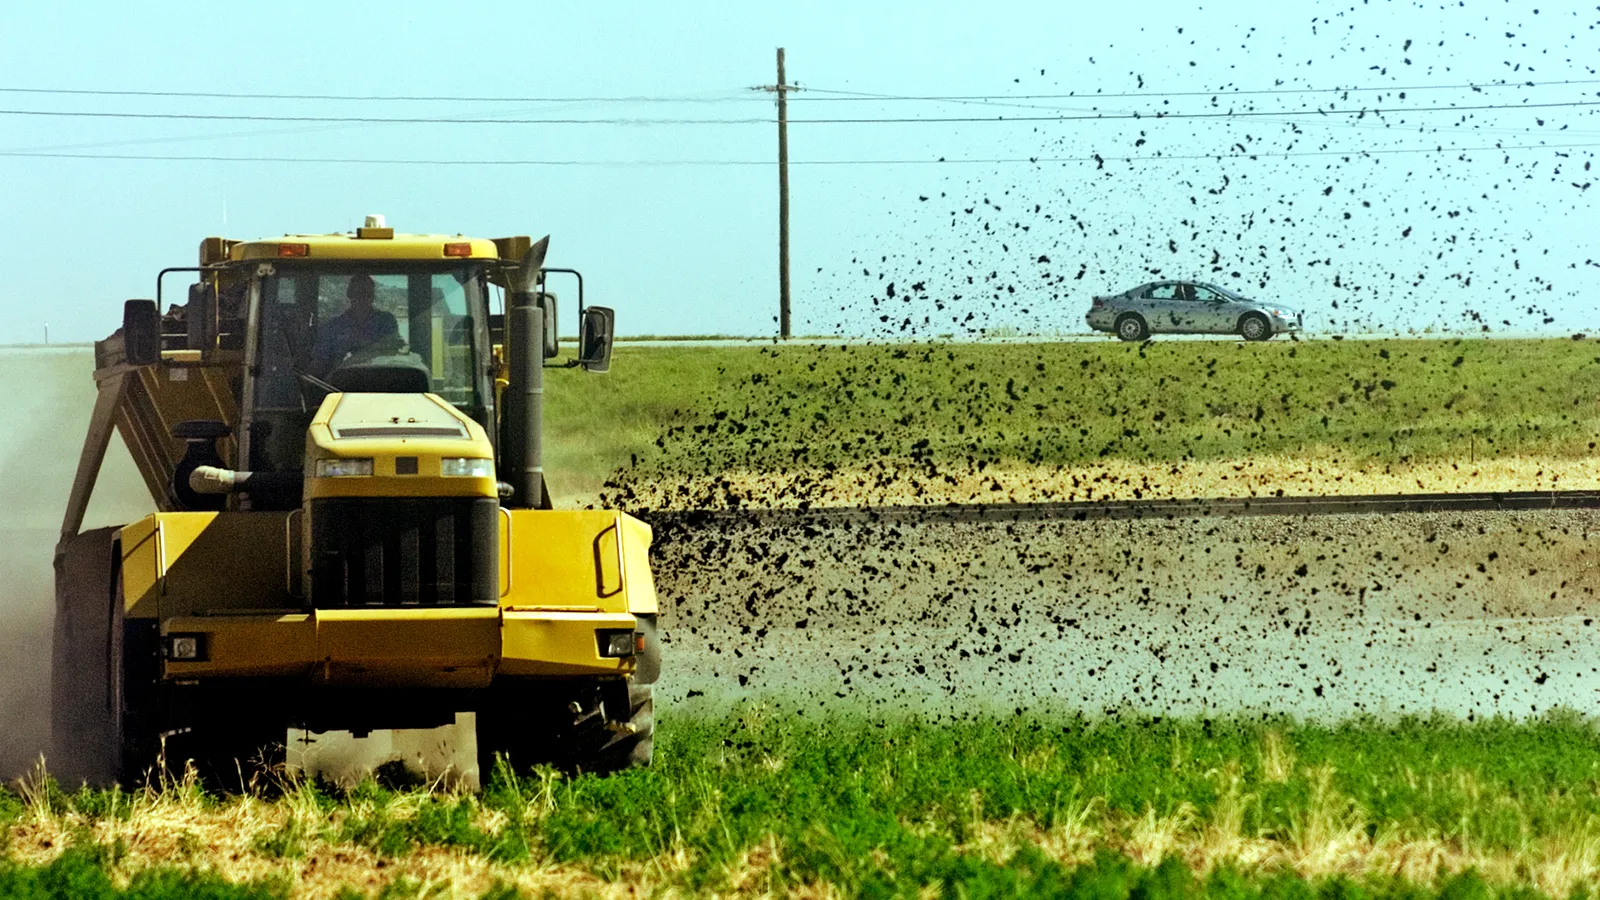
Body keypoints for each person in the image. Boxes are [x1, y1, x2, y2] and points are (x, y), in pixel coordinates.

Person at [310, 273, 399, 376]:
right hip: (339, 386)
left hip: (380, 383)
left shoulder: (386, 322)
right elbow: (319, 363)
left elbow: (393, 352)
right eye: (358, 293)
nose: (363, 298)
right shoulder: (332, 327)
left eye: (368, 294)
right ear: (349, 294)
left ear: (373, 297)